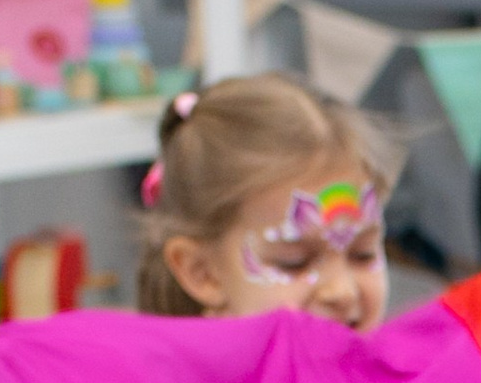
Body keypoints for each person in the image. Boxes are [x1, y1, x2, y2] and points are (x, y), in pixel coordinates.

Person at [137, 73, 397, 330]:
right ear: (203, 273)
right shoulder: (187, 372)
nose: (343, 291)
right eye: (294, 262)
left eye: (363, 254)